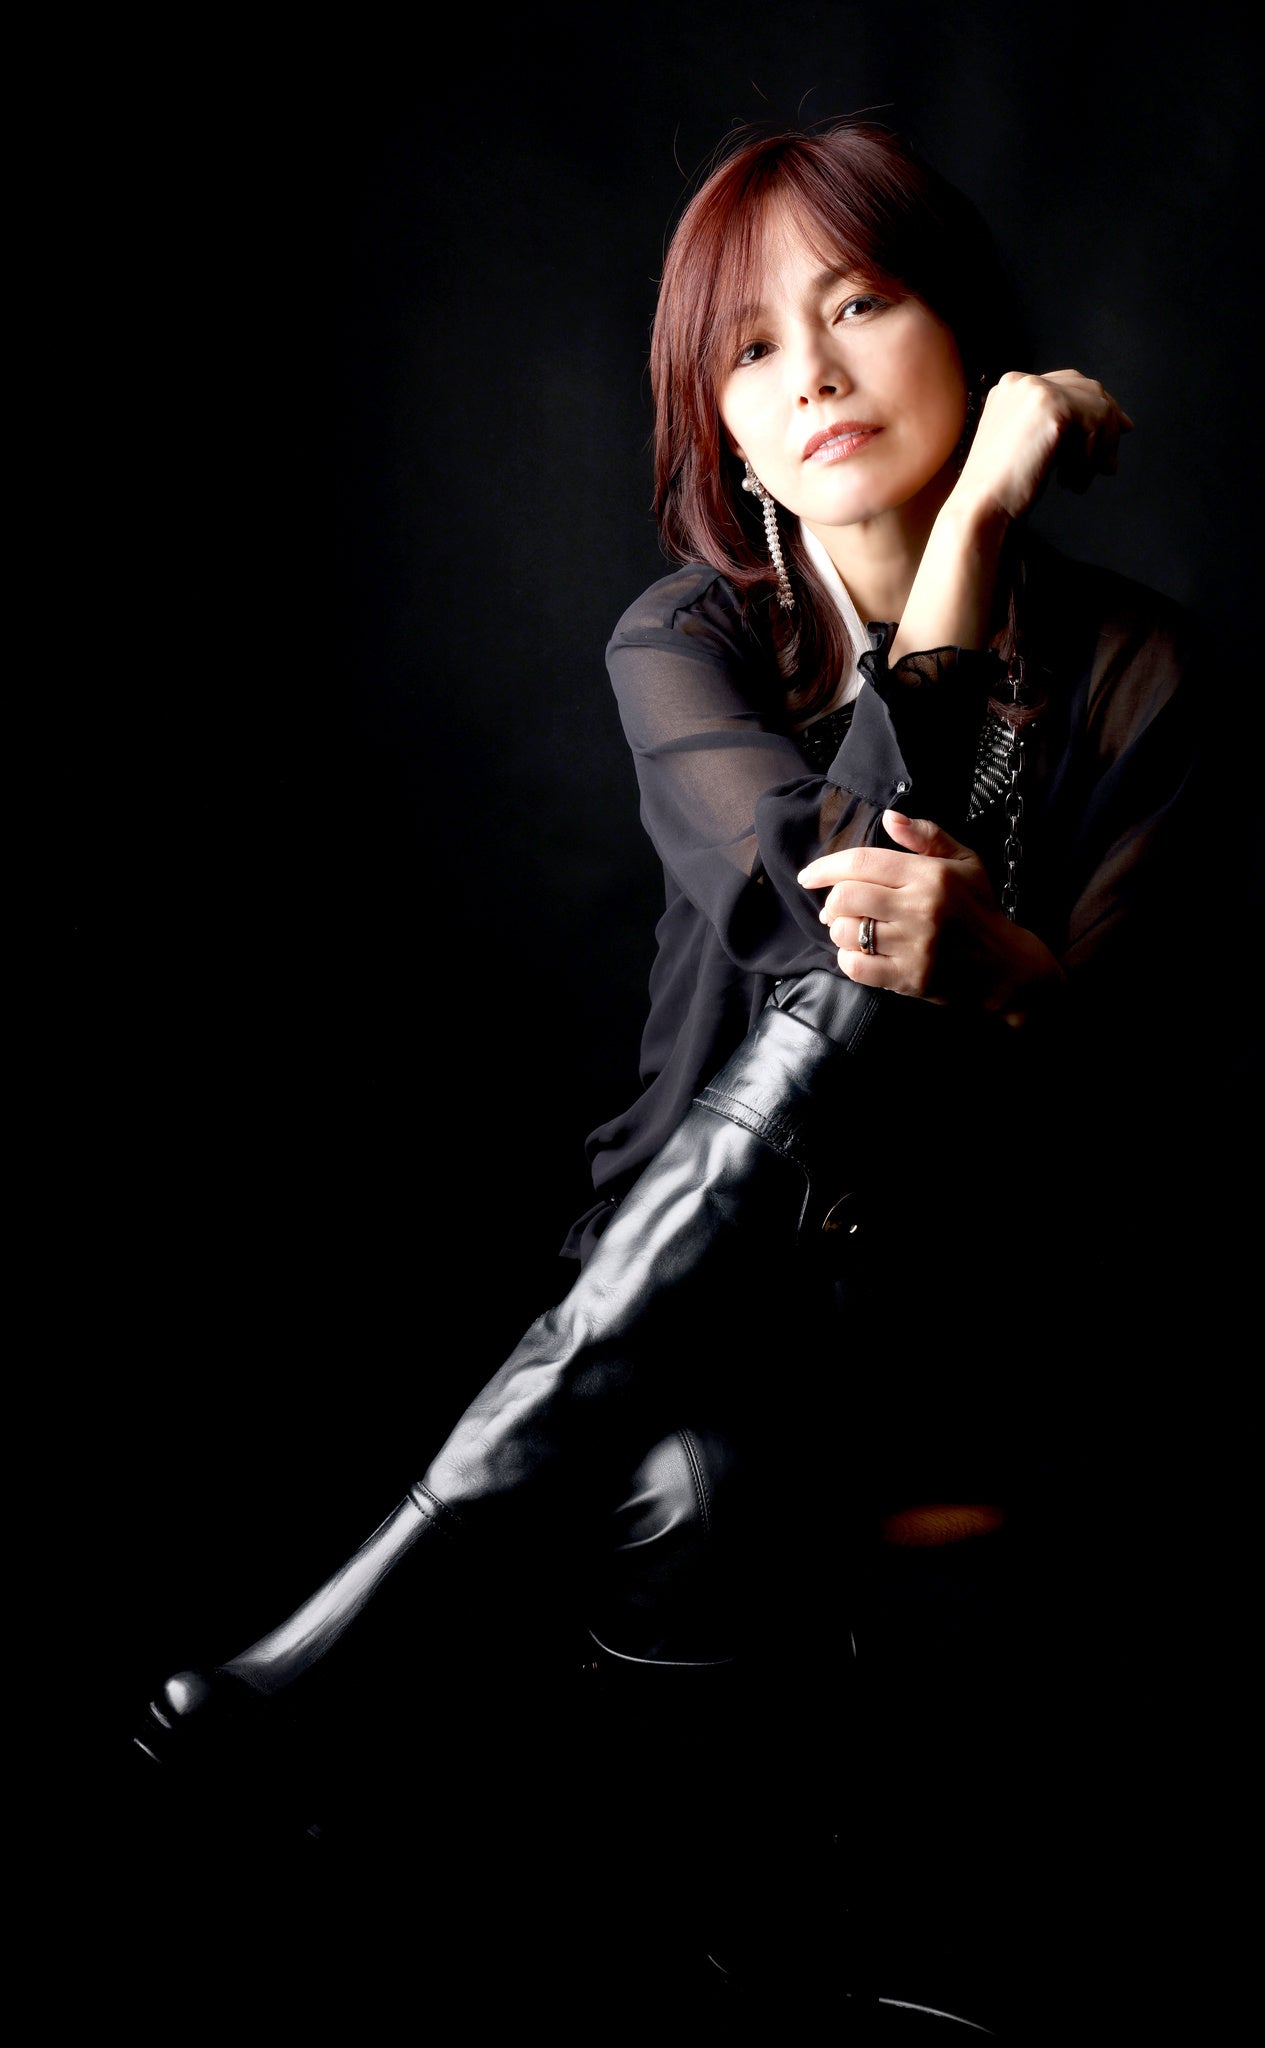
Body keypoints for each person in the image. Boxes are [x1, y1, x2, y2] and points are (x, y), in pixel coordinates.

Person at [134, 121, 1209, 2027]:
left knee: (717, 1418)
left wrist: (970, 558)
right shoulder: (688, 641)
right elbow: (836, 917)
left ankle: (375, 1625)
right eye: (749, 349)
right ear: (718, 428)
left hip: (991, 1304)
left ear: (970, 338)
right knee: (693, 1465)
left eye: (858, 306)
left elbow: (1151, 1089)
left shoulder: (1144, 673)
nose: (808, 376)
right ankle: (779, 1961)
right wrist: (968, 568)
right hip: (705, 1302)